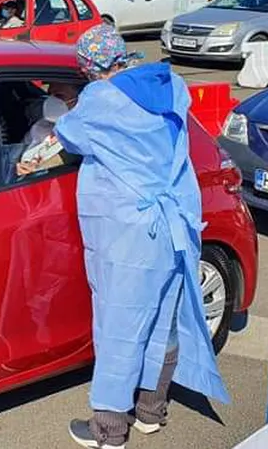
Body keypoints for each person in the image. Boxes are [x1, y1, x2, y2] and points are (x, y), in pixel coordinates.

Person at [20, 25, 229, 449]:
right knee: (164, 317)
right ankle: (153, 411)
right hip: (177, 222)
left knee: (120, 324)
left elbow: (67, 138)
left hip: (131, 231)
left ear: (88, 67)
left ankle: (109, 431)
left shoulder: (100, 101)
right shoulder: (167, 85)